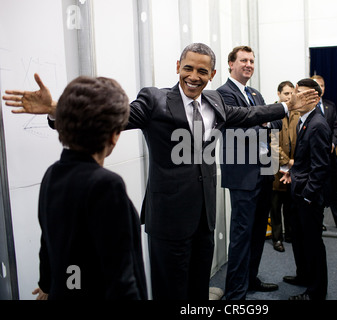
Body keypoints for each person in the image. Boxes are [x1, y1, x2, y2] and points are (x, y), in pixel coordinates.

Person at [3, 43, 319, 300]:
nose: (194, 76)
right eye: (188, 68)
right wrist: (58, 108)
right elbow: (114, 116)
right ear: (178, 66)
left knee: (197, 291)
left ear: (212, 74)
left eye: (202, 71)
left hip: (204, 217)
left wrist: (285, 107)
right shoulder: (154, 100)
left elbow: (248, 114)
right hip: (168, 218)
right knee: (171, 292)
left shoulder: (216, 101)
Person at [32, 76, 147, 299]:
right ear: (114, 136)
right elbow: (121, 278)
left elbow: (47, 244)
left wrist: (46, 284)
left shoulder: (52, 174)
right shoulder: (106, 185)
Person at [217, 45, 278, 300]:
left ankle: (251, 279)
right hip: (242, 176)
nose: (249, 65)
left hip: (263, 172)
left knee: (256, 233)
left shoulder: (255, 93)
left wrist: (260, 121)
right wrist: (261, 122)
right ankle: (235, 293)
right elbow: (235, 134)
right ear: (231, 64)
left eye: (252, 60)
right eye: (243, 60)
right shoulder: (223, 94)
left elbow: (274, 123)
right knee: (241, 235)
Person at [279, 78, 331, 300]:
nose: (295, 97)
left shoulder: (318, 124)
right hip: (298, 190)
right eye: (295, 93)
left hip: (308, 197)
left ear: (315, 98)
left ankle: (315, 293)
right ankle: (303, 276)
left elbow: (320, 167)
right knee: (299, 240)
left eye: (302, 94)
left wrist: (308, 196)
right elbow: (305, 159)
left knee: (312, 245)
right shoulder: (302, 120)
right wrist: (293, 172)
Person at [311, 75, 337, 232]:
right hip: (314, 158)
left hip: (330, 157)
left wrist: (334, 143)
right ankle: (318, 221)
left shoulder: (330, 106)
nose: (319, 88)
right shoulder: (306, 107)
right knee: (318, 190)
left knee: (335, 190)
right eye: (316, 85)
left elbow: (336, 126)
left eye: (322, 85)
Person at [270, 81, 296, 252]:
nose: (289, 97)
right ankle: (277, 238)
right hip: (275, 169)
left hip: (293, 168)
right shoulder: (271, 113)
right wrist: (286, 160)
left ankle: (290, 234)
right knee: (275, 206)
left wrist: (294, 162)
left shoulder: (296, 113)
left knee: (290, 206)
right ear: (278, 94)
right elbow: (271, 141)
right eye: (286, 93)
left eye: (291, 93)